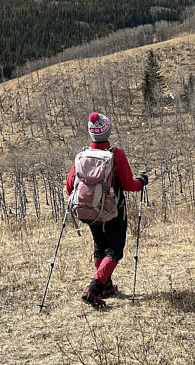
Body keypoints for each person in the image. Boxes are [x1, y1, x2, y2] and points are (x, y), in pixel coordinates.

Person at [65, 112, 148, 308]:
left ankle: (107, 287)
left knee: (99, 246)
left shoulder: (82, 155)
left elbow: (70, 186)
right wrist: (141, 182)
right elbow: (128, 184)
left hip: (87, 210)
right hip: (112, 210)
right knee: (114, 250)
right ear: (107, 131)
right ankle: (94, 289)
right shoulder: (115, 154)